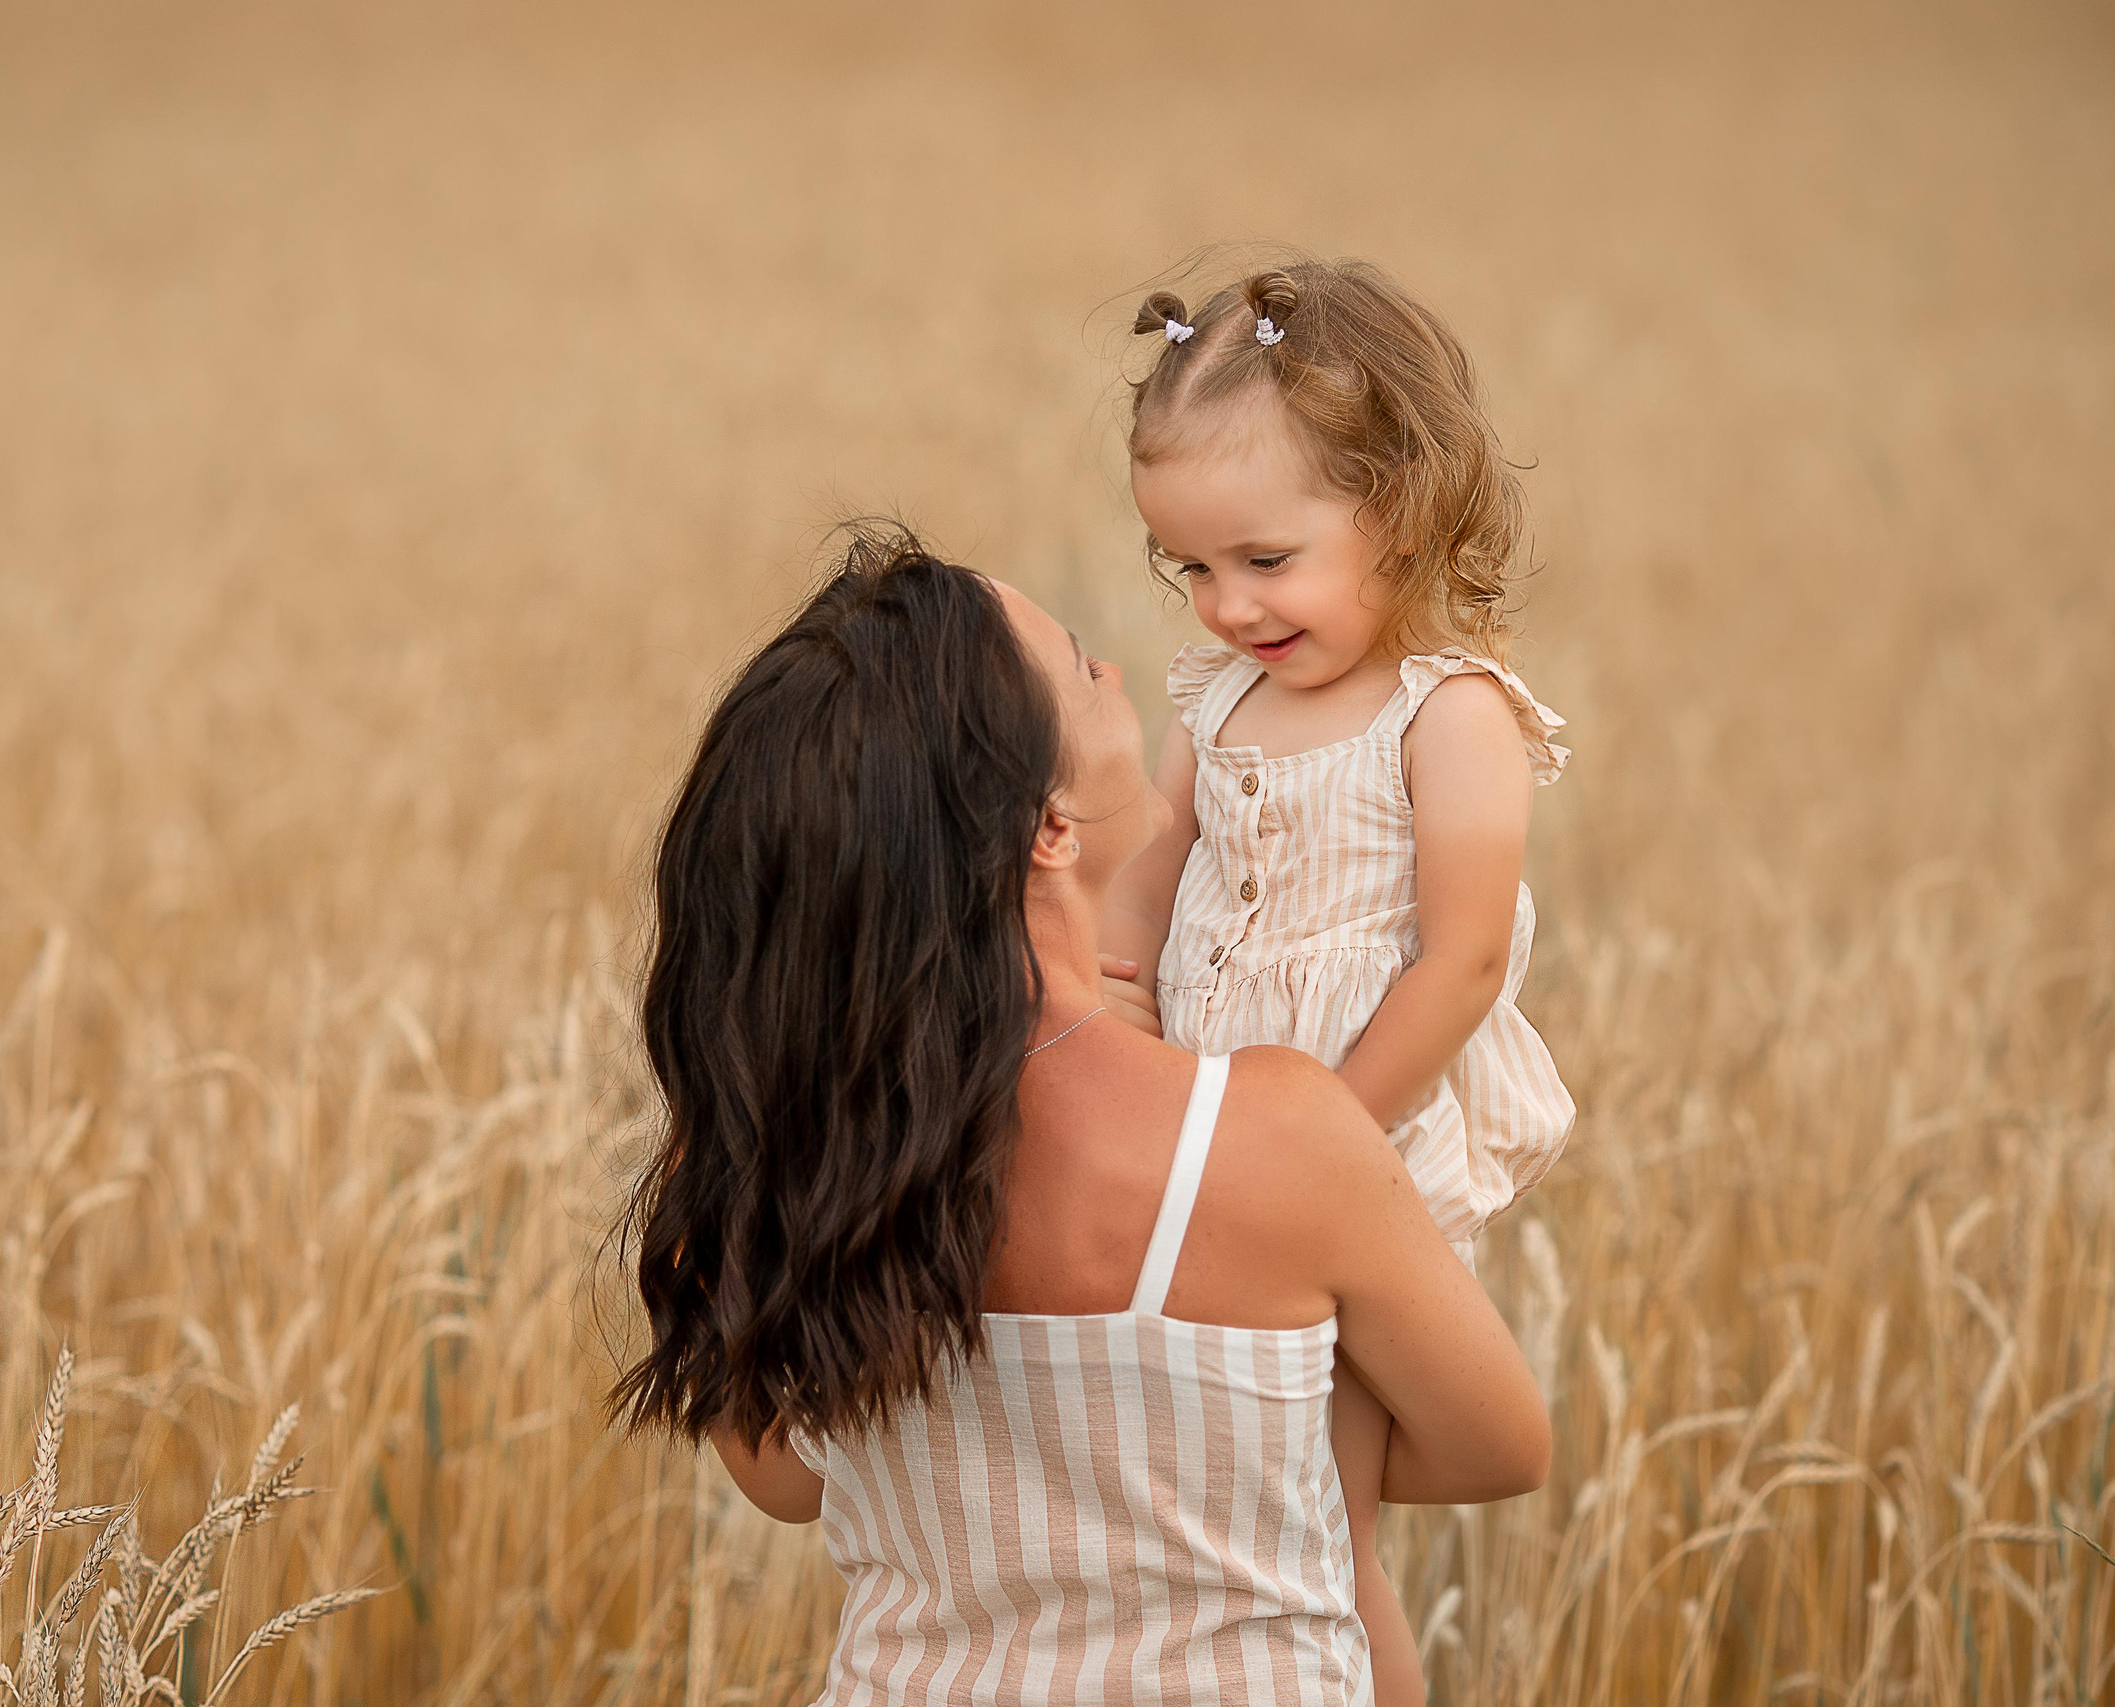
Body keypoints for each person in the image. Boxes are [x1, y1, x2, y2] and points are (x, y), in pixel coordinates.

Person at [611, 528, 1547, 1704]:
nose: (1121, 677)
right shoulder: (1270, 1136)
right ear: (1047, 827)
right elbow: (1498, 1445)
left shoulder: (780, 1169)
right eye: (1083, 666)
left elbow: (796, 1485)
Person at [1098, 256, 1578, 1705]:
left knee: (1318, 1517)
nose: (1226, 603)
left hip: (1358, 1137)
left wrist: (1322, 1138)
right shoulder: (1224, 696)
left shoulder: (1454, 715)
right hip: (1207, 1123)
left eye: (1265, 558)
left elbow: (1464, 955)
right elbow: (1161, 847)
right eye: (1190, 566)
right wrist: (1114, 986)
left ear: (1406, 505)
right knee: (1215, 1490)